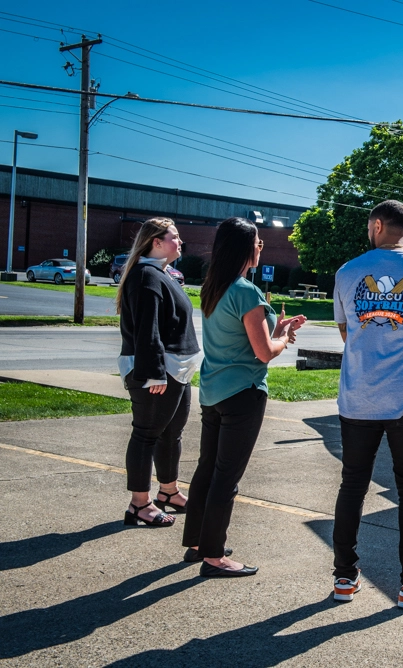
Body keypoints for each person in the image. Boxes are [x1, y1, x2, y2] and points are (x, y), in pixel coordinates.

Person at [331, 199, 403, 609]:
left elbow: (347, 332)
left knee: (353, 485)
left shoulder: (347, 274)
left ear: (377, 225)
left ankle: (344, 579)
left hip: (358, 400)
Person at [182, 217, 306, 577]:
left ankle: (197, 543)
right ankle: (215, 556)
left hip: (213, 392)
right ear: (245, 248)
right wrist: (283, 338)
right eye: (259, 242)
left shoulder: (213, 288)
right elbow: (265, 353)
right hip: (243, 394)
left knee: (207, 469)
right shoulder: (245, 292)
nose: (261, 247)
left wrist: (278, 328)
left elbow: (245, 341)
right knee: (227, 476)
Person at [117, 217, 200, 528]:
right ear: (156, 242)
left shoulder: (161, 274)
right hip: (157, 372)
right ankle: (139, 504)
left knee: (171, 433)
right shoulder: (145, 276)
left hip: (176, 371)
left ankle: (169, 492)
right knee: (146, 434)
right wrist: (154, 374)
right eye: (174, 237)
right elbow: (146, 330)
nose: (180, 242)